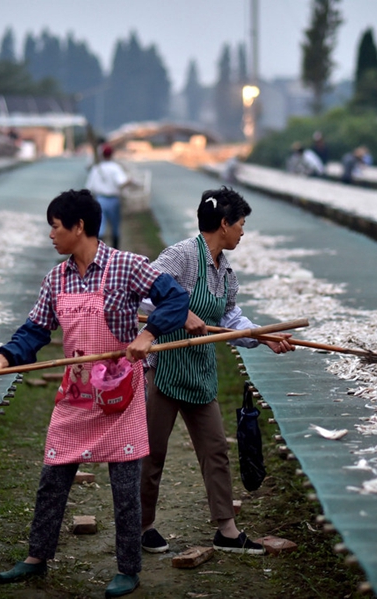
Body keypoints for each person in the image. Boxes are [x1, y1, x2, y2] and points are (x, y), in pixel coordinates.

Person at [0, 189, 189, 598]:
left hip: (119, 393)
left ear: (79, 227)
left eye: (55, 226)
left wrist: (148, 333)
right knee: (53, 476)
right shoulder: (57, 277)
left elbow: (176, 298)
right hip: (76, 392)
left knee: (125, 485)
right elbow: (35, 330)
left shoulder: (127, 266)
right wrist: (3, 359)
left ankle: (128, 568)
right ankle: (37, 557)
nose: (51, 235)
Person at [139, 186, 295, 557]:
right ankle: (141, 526)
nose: (243, 231)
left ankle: (226, 529)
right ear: (224, 224)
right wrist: (180, 312)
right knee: (151, 454)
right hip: (164, 367)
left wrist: (263, 337)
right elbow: (145, 290)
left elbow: (230, 319)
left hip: (200, 370)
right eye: (241, 224)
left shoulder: (226, 273)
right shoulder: (180, 256)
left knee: (215, 450)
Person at [85, 145, 133, 248]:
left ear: (102, 155)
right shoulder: (115, 168)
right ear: (112, 154)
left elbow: (89, 187)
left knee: (100, 227)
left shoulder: (96, 168)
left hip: (100, 200)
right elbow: (122, 182)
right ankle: (115, 251)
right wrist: (129, 181)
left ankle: (98, 252)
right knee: (115, 227)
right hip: (113, 200)